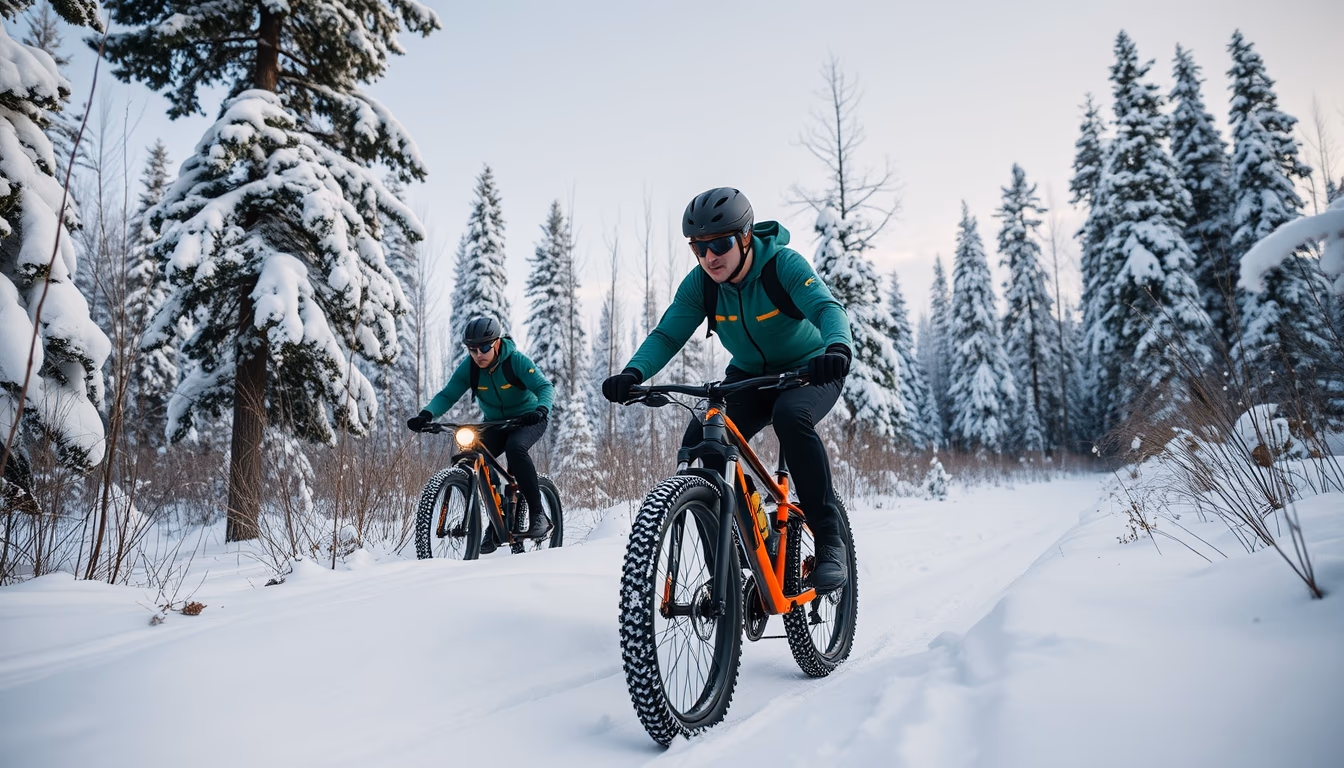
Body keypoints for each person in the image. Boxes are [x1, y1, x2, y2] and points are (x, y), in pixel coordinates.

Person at [601, 187, 854, 592]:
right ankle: (734, 552)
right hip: (750, 375)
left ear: (746, 236)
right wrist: (633, 373)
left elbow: (827, 308)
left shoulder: (782, 265)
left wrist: (837, 348)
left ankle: (829, 542)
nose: (709, 257)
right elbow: (667, 335)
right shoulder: (702, 285)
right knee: (702, 438)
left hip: (811, 369)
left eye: (719, 244)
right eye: (698, 248)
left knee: (791, 417)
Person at [408, 317, 555, 552]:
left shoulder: (515, 361)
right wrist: (426, 414)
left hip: (529, 419)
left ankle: (539, 514)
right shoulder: (470, 368)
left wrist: (540, 410)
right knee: (474, 454)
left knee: (515, 449)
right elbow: (448, 394)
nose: (478, 355)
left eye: (484, 348)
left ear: (496, 343)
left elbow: (545, 387)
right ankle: (497, 517)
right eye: (472, 349)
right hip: (495, 424)